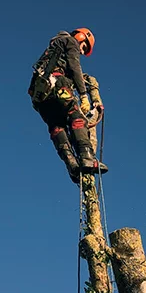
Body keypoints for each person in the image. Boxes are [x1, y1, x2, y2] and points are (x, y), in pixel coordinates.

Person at [28, 28, 108, 183]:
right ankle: (87, 157)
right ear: (81, 36)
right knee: (76, 117)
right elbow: (74, 66)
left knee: (57, 126)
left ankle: (71, 164)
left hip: (40, 94)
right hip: (58, 84)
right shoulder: (70, 42)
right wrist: (84, 95)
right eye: (84, 46)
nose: (82, 50)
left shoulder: (53, 49)